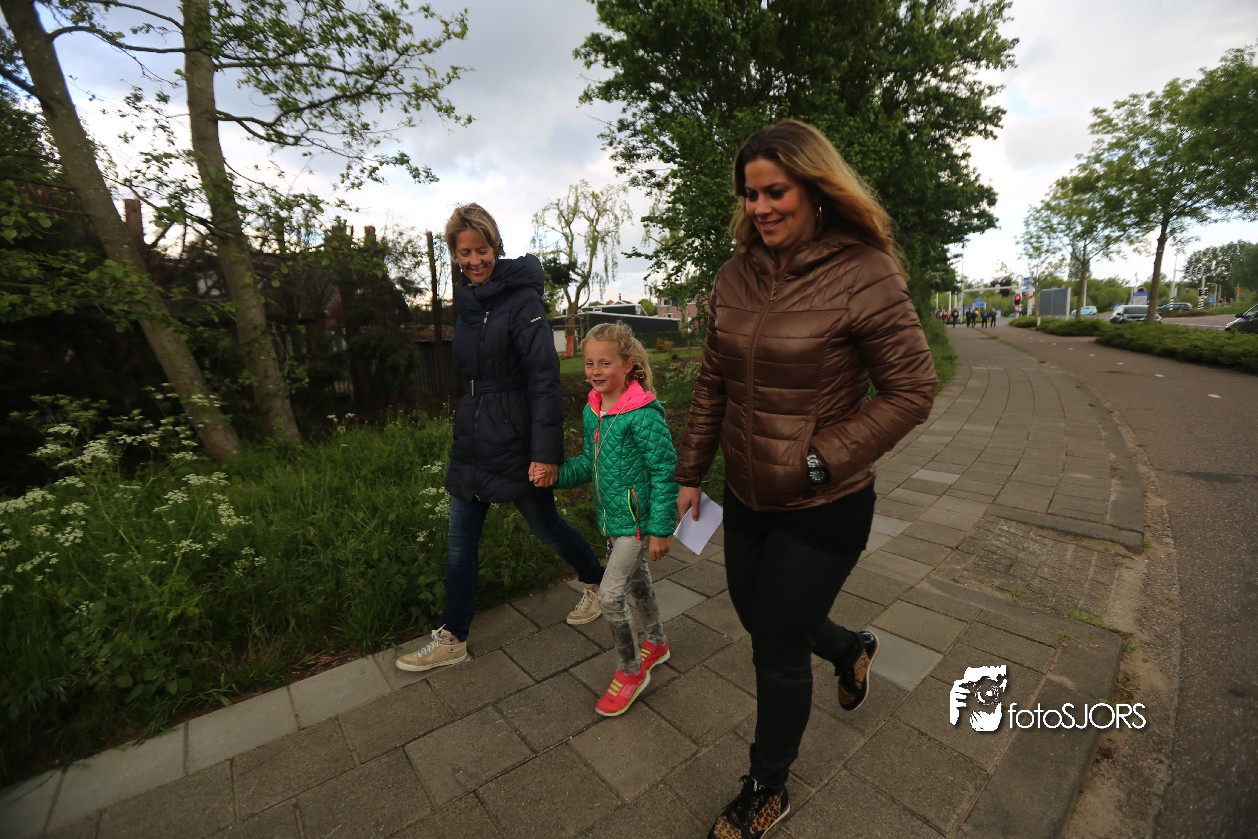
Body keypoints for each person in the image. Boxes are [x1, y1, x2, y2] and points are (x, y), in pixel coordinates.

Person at [674, 120, 936, 839]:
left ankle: (767, 786)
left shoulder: (864, 271)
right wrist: (690, 472)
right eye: (750, 194)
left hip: (825, 501)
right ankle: (851, 649)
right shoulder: (734, 275)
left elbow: (913, 388)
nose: (760, 207)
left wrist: (820, 459)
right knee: (761, 617)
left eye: (775, 191)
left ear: (815, 189)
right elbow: (713, 382)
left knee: (776, 646)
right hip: (747, 494)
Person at [395, 203, 605, 673]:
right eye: (464, 253)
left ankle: (598, 580)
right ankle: (453, 638)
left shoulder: (522, 300)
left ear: (496, 246)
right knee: (460, 540)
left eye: (482, 250)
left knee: (545, 526)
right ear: (455, 255)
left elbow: (544, 379)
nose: (474, 261)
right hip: (473, 435)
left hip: (515, 438)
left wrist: (545, 454)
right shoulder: (467, 300)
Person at [542, 322, 678, 716]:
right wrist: (556, 475)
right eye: (589, 363)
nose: (595, 371)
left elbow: (664, 471)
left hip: (638, 523)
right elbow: (589, 462)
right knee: (638, 582)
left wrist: (660, 530)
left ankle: (631, 671)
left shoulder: (643, 415)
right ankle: (657, 643)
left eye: (605, 363)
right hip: (613, 519)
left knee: (610, 595)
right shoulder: (594, 411)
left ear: (627, 364)